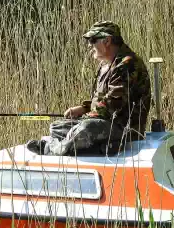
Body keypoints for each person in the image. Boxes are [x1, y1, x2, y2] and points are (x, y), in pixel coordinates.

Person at [26, 21, 151, 156]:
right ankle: (92, 147)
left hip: (124, 129)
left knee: (85, 128)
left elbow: (113, 104)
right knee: (56, 127)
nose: (90, 45)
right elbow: (102, 99)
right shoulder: (106, 64)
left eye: (93, 40)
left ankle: (50, 149)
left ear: (107, 41)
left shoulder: (127, 64)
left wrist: (85, 117)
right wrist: (83, 108)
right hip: (103, 122)